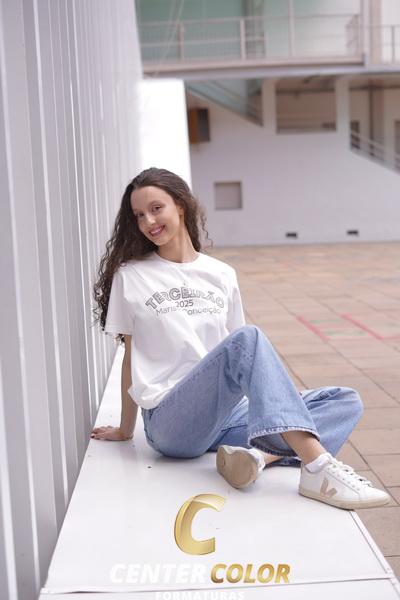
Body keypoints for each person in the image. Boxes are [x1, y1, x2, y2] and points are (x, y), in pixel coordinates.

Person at [92, 167, 390, 511]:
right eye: (139, 215)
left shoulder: (221, 274)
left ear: (181, 206)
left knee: (343, 401)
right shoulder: (131, 275)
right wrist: (126, 430)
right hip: (172, 421)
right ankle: (317, 468)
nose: (148, 221)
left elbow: (239, 358)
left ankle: (258, 457)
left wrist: (267, 402)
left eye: (156, 209)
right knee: (248, 340)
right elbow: (130, 358)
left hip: (226, 416)